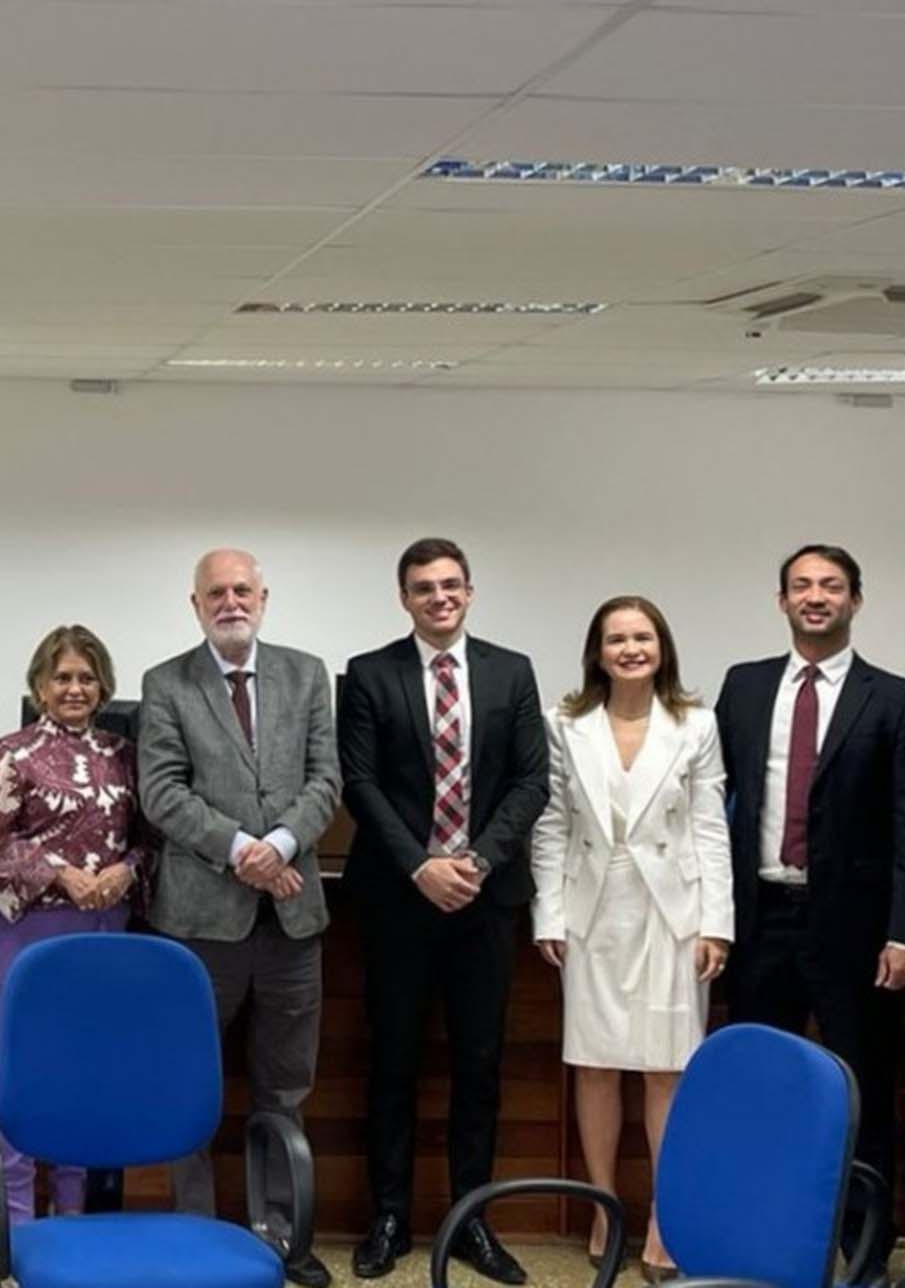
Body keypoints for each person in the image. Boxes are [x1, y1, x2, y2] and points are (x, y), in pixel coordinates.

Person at [713, 543, 905, 1264]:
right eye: (802, 586)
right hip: (760, 919)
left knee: (863, 1088)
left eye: (832, 586)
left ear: (855, 601)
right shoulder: (743, 687)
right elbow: (712, 804)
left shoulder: (897, 699)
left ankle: (864, 1247)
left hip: (856, 928)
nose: (817, 596)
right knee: (762, 1081)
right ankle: (765, 1235)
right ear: (781, 601)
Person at [340, 538, 545, 1286]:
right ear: (404, 598)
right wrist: (421, 865)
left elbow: (531, 782)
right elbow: (359, 782)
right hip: (399, 898)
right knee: (392, 1059)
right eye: (423, 587)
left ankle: (472, 1220)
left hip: (486, 901)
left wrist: (476, 861)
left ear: (470, 591)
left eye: (450, 585)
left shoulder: (510, 672)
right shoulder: (369, 674)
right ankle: (388, 1215)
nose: (438, 597)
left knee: (479, 1064)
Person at [138, 548, 338, 1288]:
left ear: (264, 598)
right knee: (191, 1085)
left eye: (242, 590)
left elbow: (327, 778)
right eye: (215, 592)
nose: (230, 602)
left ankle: (282, 1234)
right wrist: (242, 849)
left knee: (286, 1087)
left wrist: (281, 844)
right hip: (198, 925)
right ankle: (194, 1232)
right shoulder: (166, 684)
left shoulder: (307, 673)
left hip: (291, 920)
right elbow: (161, 792)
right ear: (195, 605)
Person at [533, 596, 729, 1283]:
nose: (630, 649)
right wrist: (548, 915)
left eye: (642, 637)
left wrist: (717, 924)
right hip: (591, 912)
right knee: (593, 1063)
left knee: (666, 1067)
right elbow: (551, 824)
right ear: (597, 650)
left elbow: (711, 826)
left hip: (672, 913)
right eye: (616, 638)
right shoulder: (566, 724)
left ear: (662, 646)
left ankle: (662, 1220)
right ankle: (602, 1207)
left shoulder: (695, 724)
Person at [0, 624, 148, 1227]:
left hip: (105, 931)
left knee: (86, 1073)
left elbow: (145, 843)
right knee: (24, 1073)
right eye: (62, 677)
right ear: (40, 686)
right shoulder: (10, 753)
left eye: (86, 677)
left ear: (103, 687)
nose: (74, 688)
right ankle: (15, 1229)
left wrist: (125, 871)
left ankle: (70, 1219)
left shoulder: (124, 755)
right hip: (29, 934)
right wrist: (61, 874)